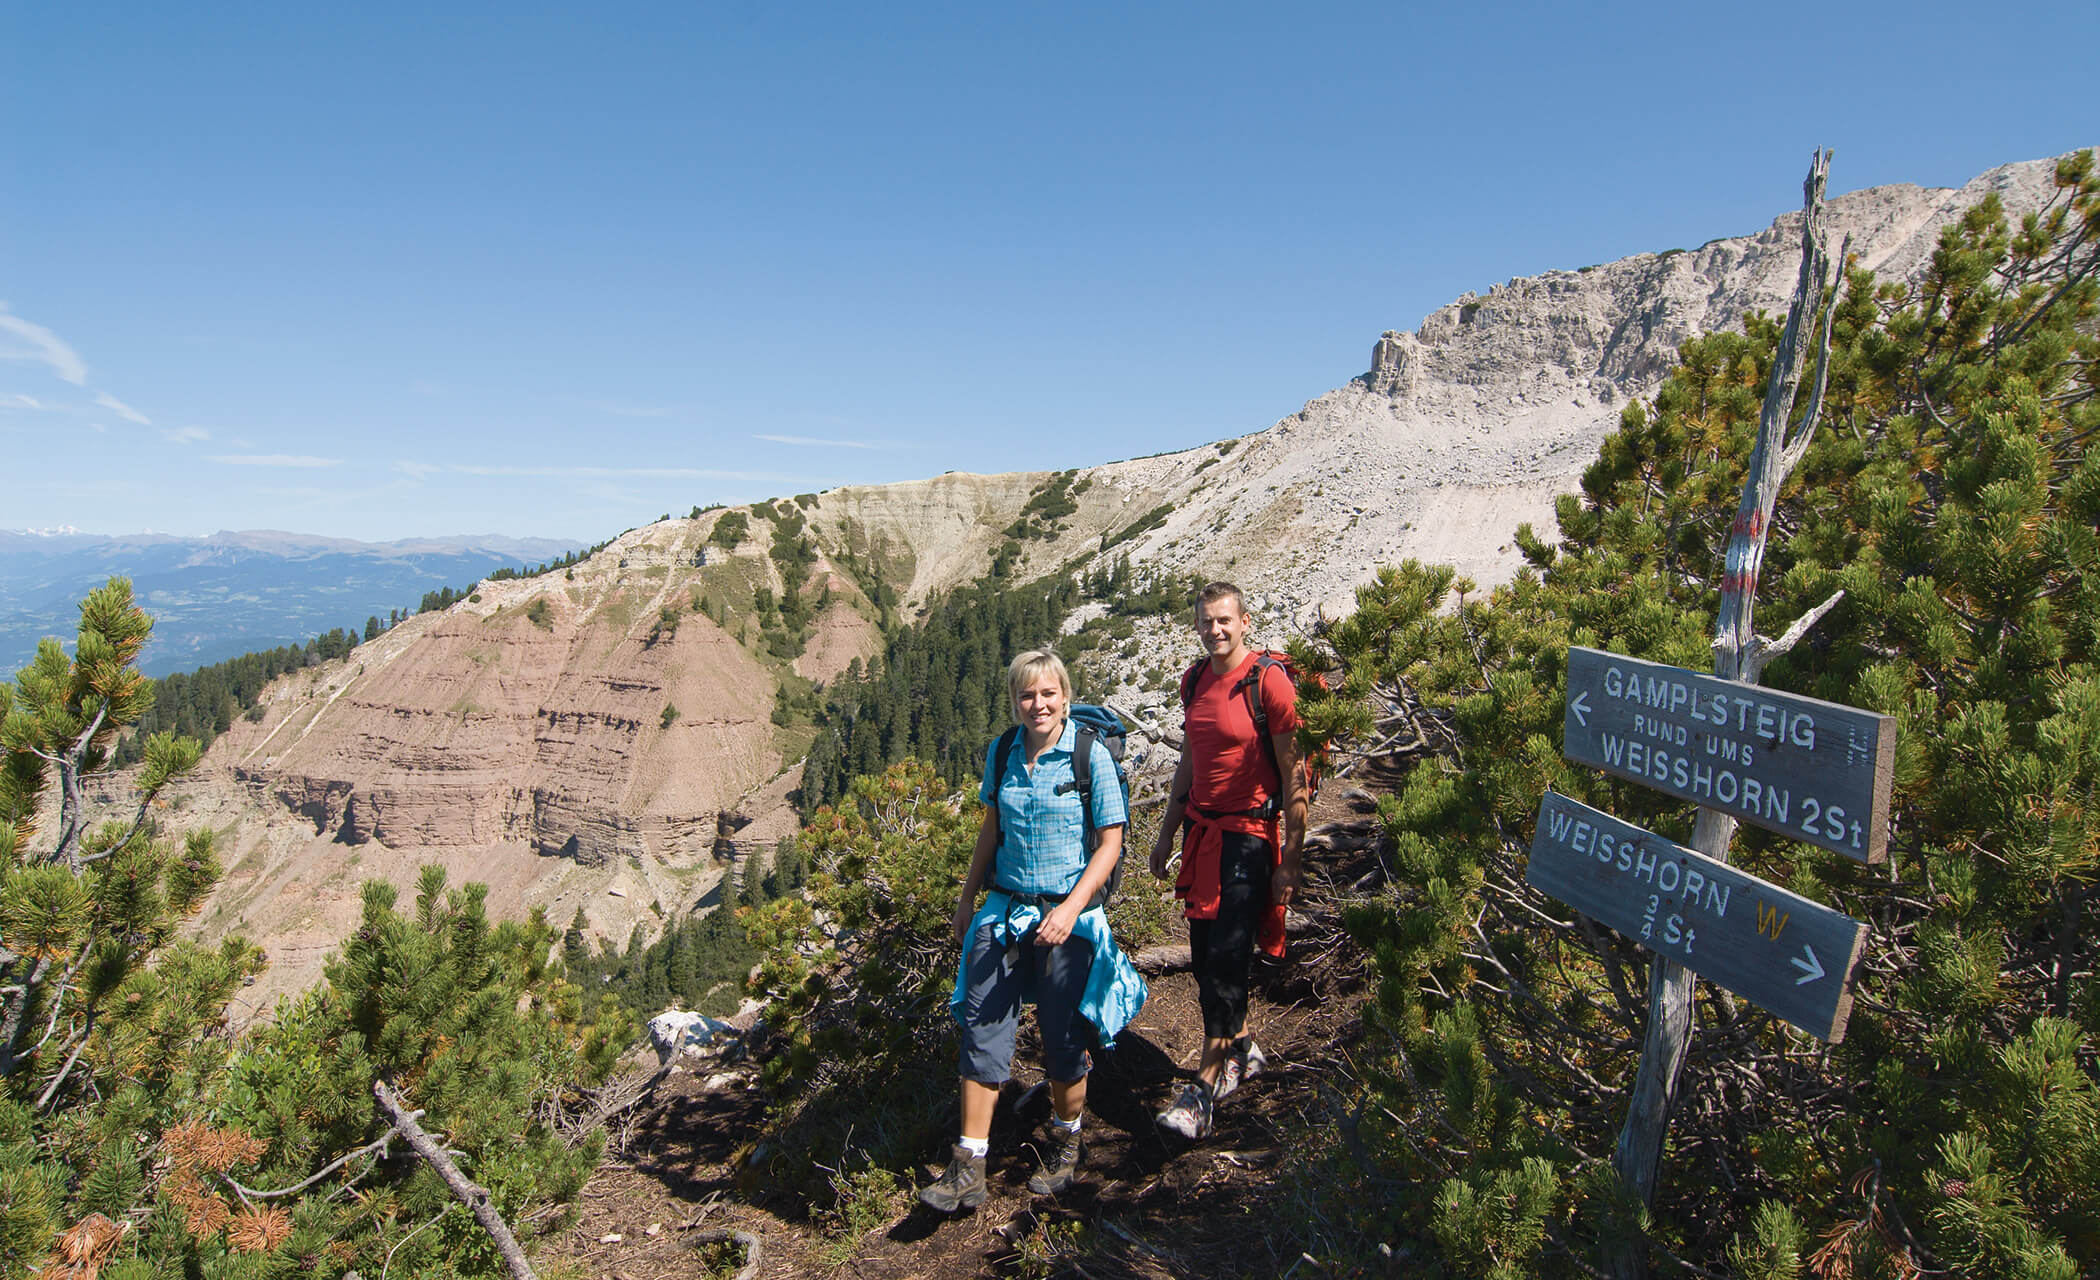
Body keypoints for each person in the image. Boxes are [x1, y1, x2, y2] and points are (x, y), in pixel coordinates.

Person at [918, 649, 1148, 1212]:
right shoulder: (1002, 752)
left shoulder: (1088, 755)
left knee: (1062, 1035)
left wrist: (1071, 909)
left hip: (1068, 913)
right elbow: (990, 831)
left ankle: (1067, 1141)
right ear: (1015, 701)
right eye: (1027, 695)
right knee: (981, 1024)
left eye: (1048, 694)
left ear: (1065, 697)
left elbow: (1110, 844)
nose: (1038, 704)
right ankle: (968, 1161)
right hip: (1005, 908)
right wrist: (967, 899)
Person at [1148, 582, 1306, 1139]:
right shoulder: (1195, 680)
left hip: (1249, 838)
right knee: (1202, 957)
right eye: (1206, 622)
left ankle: (1202, 1091)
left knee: (1225, 963)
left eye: (1224, 621)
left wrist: (1291, 860)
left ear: (1244, 622)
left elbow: (1294, 777)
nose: (1215, 630)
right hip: (1202, 833)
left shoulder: (1269, 683)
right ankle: (1244, 1049)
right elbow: (1190, 759)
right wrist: (1167, 834)